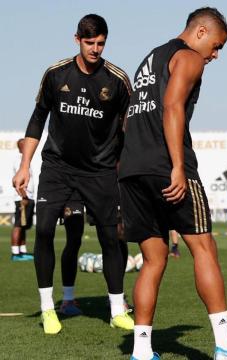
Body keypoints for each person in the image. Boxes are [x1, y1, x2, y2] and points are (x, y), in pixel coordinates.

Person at [118, 7, 227, 360]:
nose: (215, 54)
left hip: (132, 168)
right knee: (204, 249)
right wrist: (178, 166)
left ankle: (142, 352)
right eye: (217, 45)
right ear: (201, 31)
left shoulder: (151, 57)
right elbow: (172, 106)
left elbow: (129, 119)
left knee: (152, 260)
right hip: (167, 166)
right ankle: (225, 346)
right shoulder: (189, 57)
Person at [12, 14, 133, 335]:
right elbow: (37, 118)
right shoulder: (56, 74)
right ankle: (48, 308)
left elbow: (130, 129)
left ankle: (117, 309)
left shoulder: (117, 80)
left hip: (100, 171)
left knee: (111, 238)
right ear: (77, 38)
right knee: (45, 232)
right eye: (90, 42)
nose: (95, 49)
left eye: (101, 43)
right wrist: (25, 165)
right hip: (58, 168)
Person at [11, 139, 35, 261]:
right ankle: (15, 253)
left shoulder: (25, 161)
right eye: (25, 145)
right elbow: (16, 181)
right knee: (18, 225)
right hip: (23, 198)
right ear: (21, 147)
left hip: (28, 197)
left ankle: (22, 251)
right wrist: (24, 196)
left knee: (24, 226)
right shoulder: (19, 161)